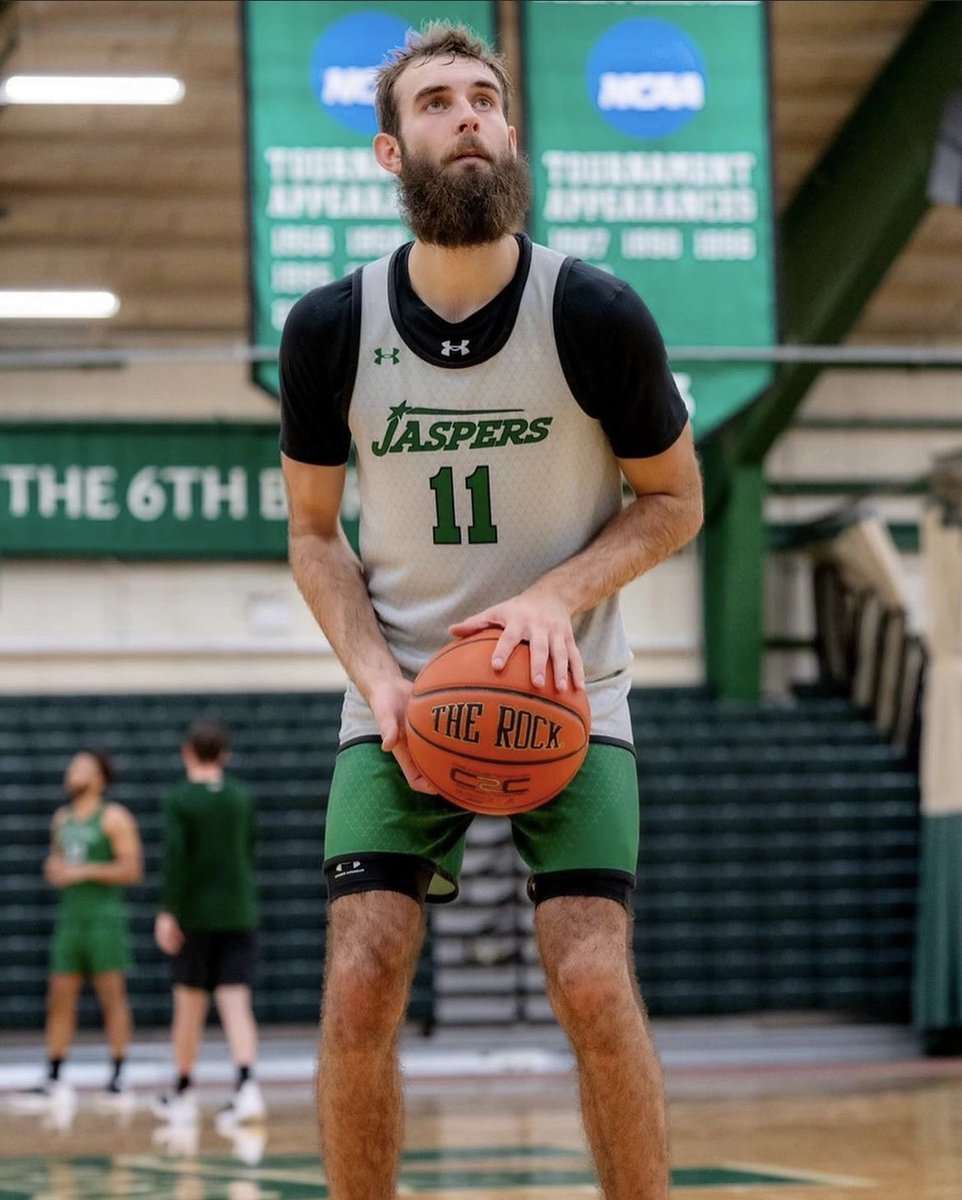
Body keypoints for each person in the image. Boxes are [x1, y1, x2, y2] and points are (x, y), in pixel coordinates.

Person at [279, 22, 703, 1200]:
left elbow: (676, 501)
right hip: (400, 688)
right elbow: (313, 537)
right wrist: (379, 683)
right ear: (388, 150)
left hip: (573, 694)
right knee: (361, 971)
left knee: (588, 975)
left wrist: (555, 597)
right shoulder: (328, 329)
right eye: (434, 103)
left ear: (510, 134)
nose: (464, 115)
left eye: (482, 98)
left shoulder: (594, 311)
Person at [13, 748, 143, 1108]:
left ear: (99, 777)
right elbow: (58, 862)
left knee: (112, 996)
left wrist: (81, 872)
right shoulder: (61, 818)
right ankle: (54, 1074)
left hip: (104, 917)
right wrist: (54, 870)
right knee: (59, 995)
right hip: (70, 917)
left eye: (82, 767)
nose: (73, 771)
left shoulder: (114, 817)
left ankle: (118, 1073)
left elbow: (131, 870)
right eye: (72, 766)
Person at [151, 719, 265, 1125]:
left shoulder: (180, 799)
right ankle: (247, 1085)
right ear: (224, 754)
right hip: (239, 911)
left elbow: (177, 859)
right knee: (236, 1002)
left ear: (187, 752)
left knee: (189, 1005)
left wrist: (169, 911)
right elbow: (250, 847)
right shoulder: (240, 797)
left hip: (195, 915)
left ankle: (182, 1090)